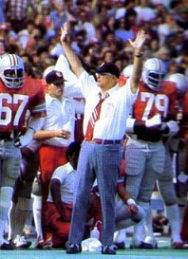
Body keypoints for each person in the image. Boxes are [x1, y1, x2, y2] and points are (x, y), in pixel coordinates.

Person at [60, 21, 147, 255]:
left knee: (107, 196)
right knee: (80, 194)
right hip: (88, 146)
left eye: (101, 74)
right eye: (97, 74)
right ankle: (74, 241)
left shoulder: (122, 95)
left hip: (110, 148)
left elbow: (136, 78)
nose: (96, 76)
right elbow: (77, 67)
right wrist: (64, 44)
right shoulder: (92, 90)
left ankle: (108, 242)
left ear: (112, 77)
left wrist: (138, 54)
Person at [125, 58, 187, 249]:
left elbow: (174, 122)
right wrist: (143, 125)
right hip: (136, 143)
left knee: (154, 193)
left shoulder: (169, 91)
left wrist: (167, 127)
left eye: (161, 77)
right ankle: (139, 236)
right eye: (154, 76)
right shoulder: (132, 88)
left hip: (159, 146)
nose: (158, 80)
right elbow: (124, 121)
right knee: (133, 192)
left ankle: (168, 236)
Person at [32, 69, 84, 244]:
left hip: (67, 152)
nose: (61, 87)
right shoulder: (43, 103)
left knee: (66, 191)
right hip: (49, 149)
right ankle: (42, 234)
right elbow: (34, 133)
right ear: (48, 86)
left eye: (62, 83)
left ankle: (58, 232)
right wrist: (55, 132)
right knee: (45, 191)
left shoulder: (69, 103)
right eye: (57, 84)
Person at [0, 53, 46, 249]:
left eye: (18, 72)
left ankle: (1, 235)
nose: (14, 76)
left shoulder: (32, 87)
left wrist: (29, 135)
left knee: (6, 193)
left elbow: (40, 114)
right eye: (10, 72)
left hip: (12, 143)